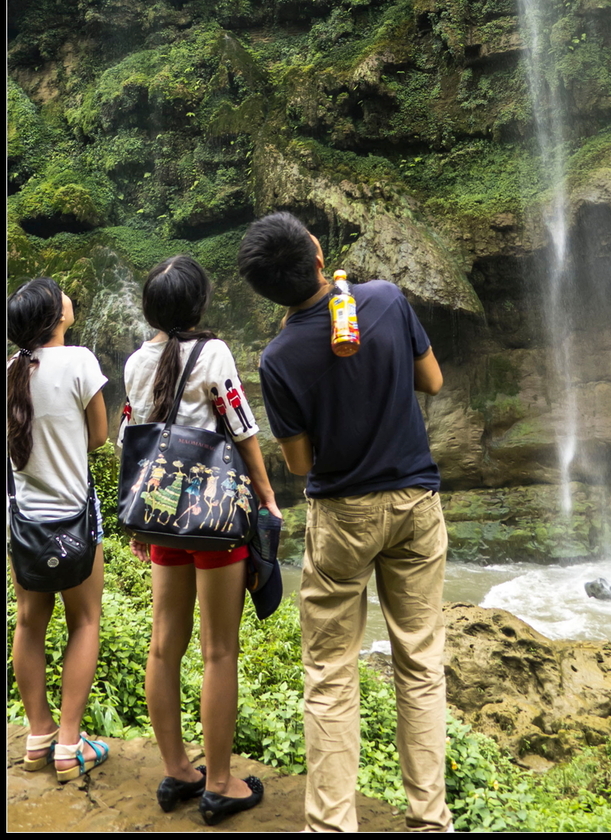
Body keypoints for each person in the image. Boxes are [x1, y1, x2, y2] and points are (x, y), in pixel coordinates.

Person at [238, 211, 453, 835]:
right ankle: (429, 819)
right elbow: (432, 381)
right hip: (415, 503)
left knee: (330, 674)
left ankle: (331, 827)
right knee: (420, 662)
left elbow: (302, 464)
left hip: (342, 517)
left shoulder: (277, 357)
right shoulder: (384, 299)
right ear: (317, 252)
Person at [119, 254, 278, 823]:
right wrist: (264, 495)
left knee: (164, 645)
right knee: (219, 649)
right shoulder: (213, 353)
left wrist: (142, 518)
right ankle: (219, 782)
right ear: (198, 303)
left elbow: (129, 439)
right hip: (212, 520)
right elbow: (240, 425)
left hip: (163, 516)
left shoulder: (138, 360)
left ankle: (176, 772)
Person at [7, 277, 110, 782]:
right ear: (54, 316)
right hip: (75, 519)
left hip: (24, 523)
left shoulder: (9, 371)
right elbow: (99, 435)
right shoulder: (81, 361)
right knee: (85, 620)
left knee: (29, 622)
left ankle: (37, 736)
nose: (69, 295)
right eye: (59, 294)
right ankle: (70, 745)